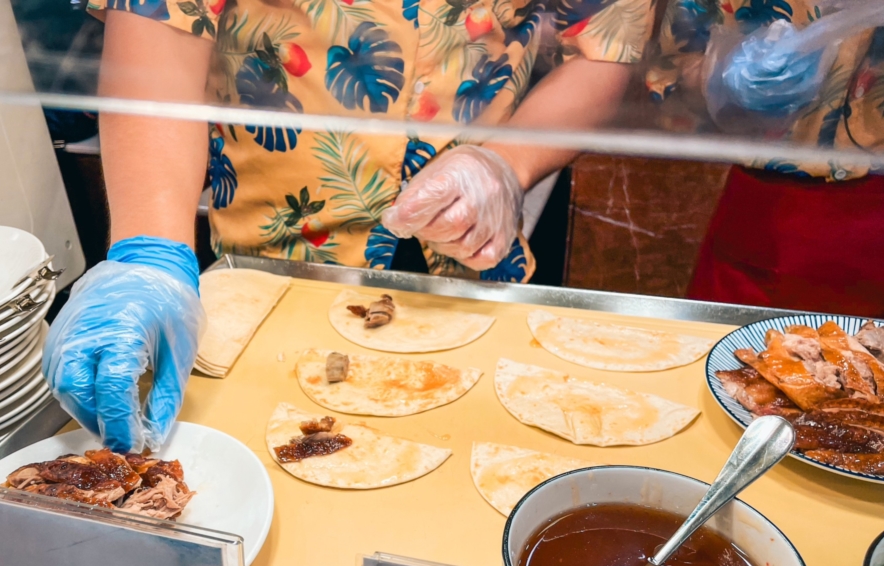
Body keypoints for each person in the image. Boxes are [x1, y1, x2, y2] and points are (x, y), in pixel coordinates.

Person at [44, 0, 654, 451]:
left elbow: (604, 49)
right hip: (272, 263)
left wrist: (505, 163)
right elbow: (159, 22)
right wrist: (149, 251)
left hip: (469, 238)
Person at [648, 0, 884, 317]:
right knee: (732, 360)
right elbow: (673, 67)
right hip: (772, 211)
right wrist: (723, 80)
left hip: (866, 210)